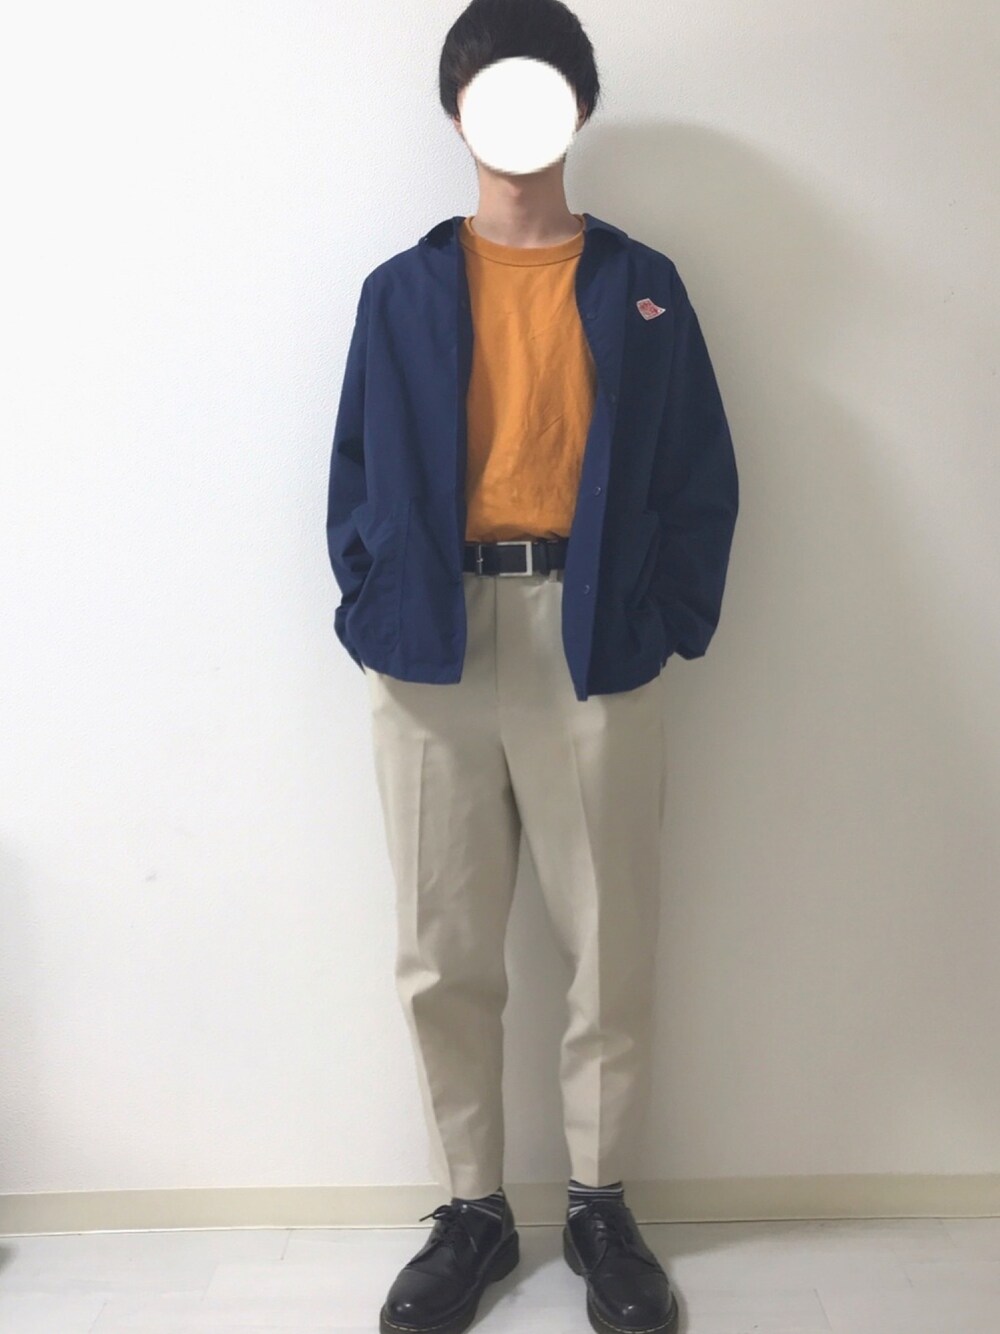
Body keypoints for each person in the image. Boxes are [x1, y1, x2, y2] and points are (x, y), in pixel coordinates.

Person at [325, 3, 739, 1330]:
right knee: (441, 950)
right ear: (457, 113)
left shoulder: (644, 285)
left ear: (579, 106)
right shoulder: (399, 293)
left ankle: (601, 1207)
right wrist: (375, 599)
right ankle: (473, 1211)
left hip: (595, 632)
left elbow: (702, 474)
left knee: (609, 945)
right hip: (431, 642)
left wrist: (664, 618)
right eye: (488, 91)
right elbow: (352, 475)